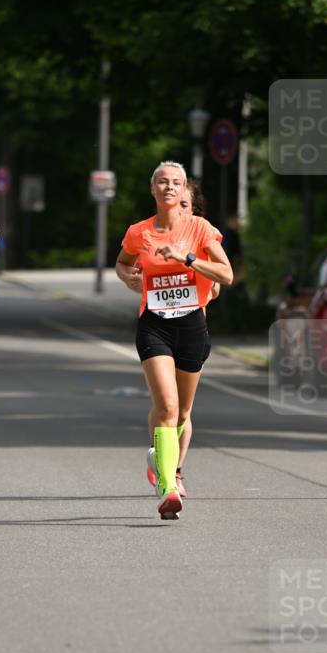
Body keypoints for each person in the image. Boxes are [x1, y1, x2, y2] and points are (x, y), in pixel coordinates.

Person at [116, 161, 233, 520]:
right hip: (154, 325)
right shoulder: (139, 232)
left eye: (176, 183)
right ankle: (167, 488)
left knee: (183, 411)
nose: (169, 187)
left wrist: (189, 258)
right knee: (166, 406)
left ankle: (164, 459)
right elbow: (122, 263)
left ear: (185, 192)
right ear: (153, 190)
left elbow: (226, 274)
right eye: (162, 182)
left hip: (192, 325)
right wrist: (129, 279)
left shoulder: (200, 229)